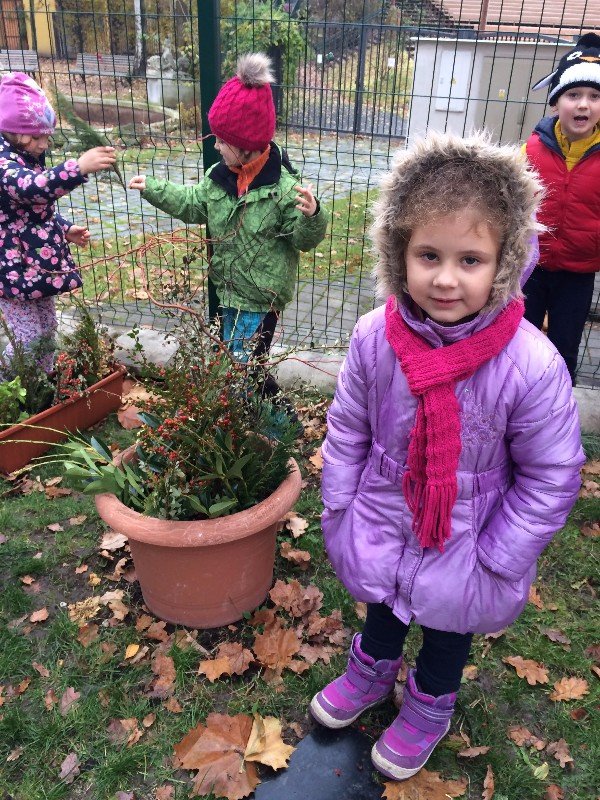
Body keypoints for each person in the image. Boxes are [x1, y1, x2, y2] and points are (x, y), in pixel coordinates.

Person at [309, 132, 584, 782]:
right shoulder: (375, 337)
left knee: (449, 622)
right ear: (398, 251)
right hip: (384, 506)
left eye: (471, 259)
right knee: (384, 595)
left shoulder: (531, 364)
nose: (445, 278)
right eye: (428, 255)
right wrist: (340, 501)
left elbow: (550, 475)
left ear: (505, 263)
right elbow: (348, 424)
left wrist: (500, 554)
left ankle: (430, 702)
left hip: (472, 528)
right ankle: (371, 670)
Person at [129, 52, 329, 394]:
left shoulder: (283, 189)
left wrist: (313, 215)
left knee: (243, 367)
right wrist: (154, 188)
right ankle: (260, 418)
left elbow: (303, 240)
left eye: (223, 140)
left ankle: (275, 421)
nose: (217, 145)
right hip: (229, 291)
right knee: (243, 368)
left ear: (247, 146)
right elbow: (192, 204)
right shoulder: (219, 177)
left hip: (261, 299)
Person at [0, 72, 116, 374]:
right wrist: (77, 168)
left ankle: (42, 383)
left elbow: (30, 210)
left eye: (47, 135)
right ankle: (8, 385)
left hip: (33, 264)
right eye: (37, 136)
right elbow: (31, 189)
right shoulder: (4, 164)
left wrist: (64, 229)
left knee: (47, 329)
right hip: (11, 268)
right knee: (27, 338)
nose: (45, 143)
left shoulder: (25, 153)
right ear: (13, 130)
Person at [523, 32, 600, 384]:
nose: (584, 105)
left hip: (579, 273)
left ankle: (558, 400)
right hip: (532, 268)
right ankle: (517, 396)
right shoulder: (531, 150)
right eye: (573, 95)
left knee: (564, 345)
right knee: (520, 340)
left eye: (594, 96)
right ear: (556, 102)